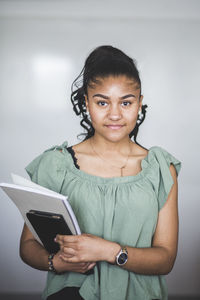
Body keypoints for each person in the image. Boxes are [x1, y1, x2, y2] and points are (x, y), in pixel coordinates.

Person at [20, 45, 182, 300]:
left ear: (140, 103)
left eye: (126, 102)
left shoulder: (161, 169)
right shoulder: (57, 164)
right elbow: (28, 246)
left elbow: (165, 259)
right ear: (86, 102)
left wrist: (109, 251)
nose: (115, 114)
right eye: (102, 102)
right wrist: (56, 263)